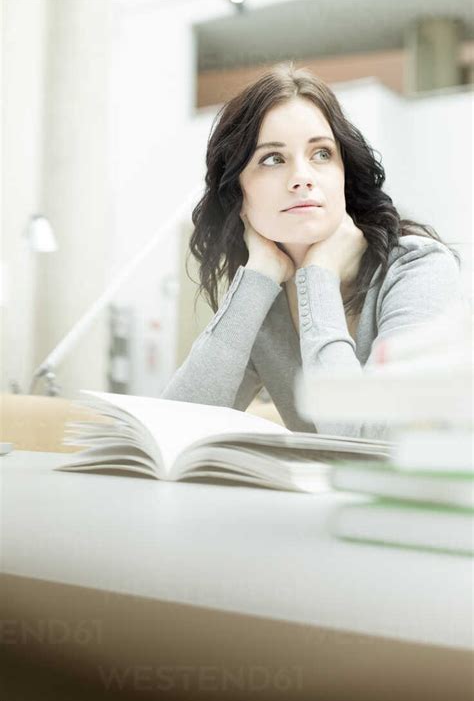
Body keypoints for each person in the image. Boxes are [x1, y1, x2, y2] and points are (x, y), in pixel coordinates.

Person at [161, 62, 462, 438]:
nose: (302, 177)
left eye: (321, 154)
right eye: (273, 158)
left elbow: (377, 441)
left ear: (344, 174)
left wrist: (318, 277)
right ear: (238, 195)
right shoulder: (264, 299)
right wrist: (257, 279)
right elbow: (174, 428)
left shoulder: (418, 268)